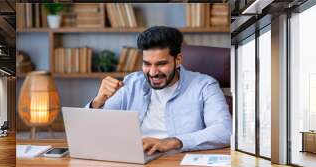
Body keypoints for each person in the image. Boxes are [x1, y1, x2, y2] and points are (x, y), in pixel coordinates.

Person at [86, 26, 232, 156]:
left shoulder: (204, 86)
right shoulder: (131, 83)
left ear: (178, 60)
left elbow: (224, 131)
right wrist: (98, 102)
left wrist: (172, 142)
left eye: (161, 64)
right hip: (136, 159)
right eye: (147, 64)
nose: (153, 72)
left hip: (178, 161)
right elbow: (91, 130)